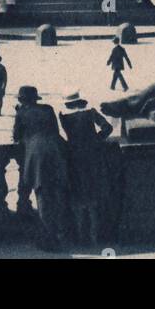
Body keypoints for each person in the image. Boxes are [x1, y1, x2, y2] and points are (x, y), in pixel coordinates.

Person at [12, 86, 68, 251]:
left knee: (43, 197)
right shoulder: (48, 109)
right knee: (57, 195)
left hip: (37, 157)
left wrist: (19, 114)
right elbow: (55, 131)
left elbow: (16, 136)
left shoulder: (21, 113)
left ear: (22, 100)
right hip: (56, 151)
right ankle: (61, 234)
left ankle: (49, 240)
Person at [59, 92, 113, 247]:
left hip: (74, 159)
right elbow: (107, 127)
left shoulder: (64, 117)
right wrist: (96, 140)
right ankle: (95, 237)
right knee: (93, 198)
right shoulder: (90, 113)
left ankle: (82, 238)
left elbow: (62, 138)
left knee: (78, 199)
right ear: (81, 101)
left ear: (67, 104)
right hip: (92, 159)